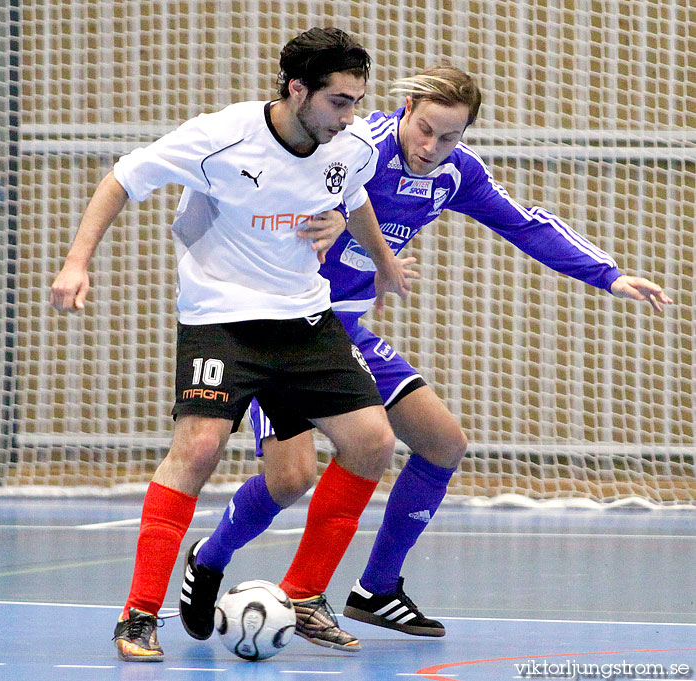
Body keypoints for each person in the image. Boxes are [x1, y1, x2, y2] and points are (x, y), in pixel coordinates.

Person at [178, 63, 673, 651]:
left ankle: (374, 588)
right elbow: (281, 183)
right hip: (283, 328)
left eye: (451, 137)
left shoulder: (455, 173)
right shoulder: (356, 146)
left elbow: (525, 224)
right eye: (426, 130)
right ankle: (209, 559)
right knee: (290, 479)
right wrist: (332, 221)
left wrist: (609, 276)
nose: (432, 147)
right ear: (406, 109)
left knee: (442, 443)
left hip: (349, 332)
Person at [50, 27, 417, 663]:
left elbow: (353, 195)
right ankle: (138, 615)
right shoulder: (221, 136)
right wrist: (77, 262)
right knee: (198, 447)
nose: (351, 115)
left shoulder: (348, 146)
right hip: (222, 318)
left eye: (357, 100)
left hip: (304, 317)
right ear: (297, 90)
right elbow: (121, 178)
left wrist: (383, 263)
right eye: (338, 101)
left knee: (372, 442)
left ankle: (304, 597)